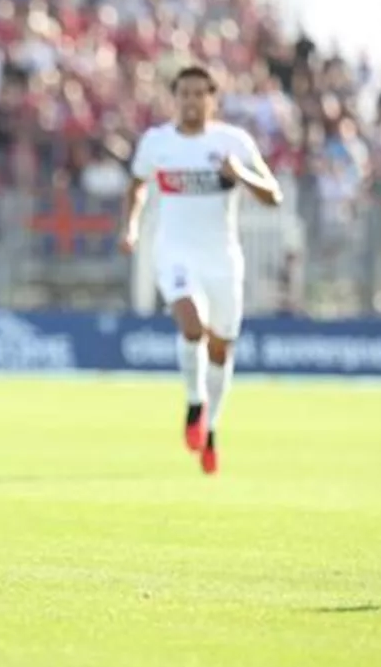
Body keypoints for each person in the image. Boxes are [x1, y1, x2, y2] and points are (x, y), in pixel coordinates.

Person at [119, 64, 283, 475]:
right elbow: (137, 184)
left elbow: (273, 196)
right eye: (184, 94)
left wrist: (240, 174)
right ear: (174, 99)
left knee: (221, 347)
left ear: (213, 99)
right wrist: (132, 226)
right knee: (192, 325)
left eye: (199, 94)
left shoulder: (234, 142)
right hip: (174, 251)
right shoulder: (157, 142)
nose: (191, 101)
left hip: (222, 258)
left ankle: (210, 429)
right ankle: (194, 401)